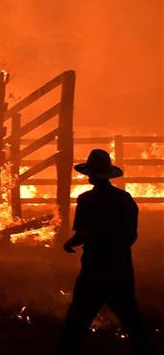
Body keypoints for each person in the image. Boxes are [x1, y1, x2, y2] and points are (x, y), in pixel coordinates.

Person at [57, 149, 153, 354]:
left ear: (91, 173)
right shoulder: (125, 199)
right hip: (121, 266)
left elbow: (83, 232)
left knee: (78, 318)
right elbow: (131, 235)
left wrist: (68, 244)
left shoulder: (87, 200)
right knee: (131, 318)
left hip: (94, 268)